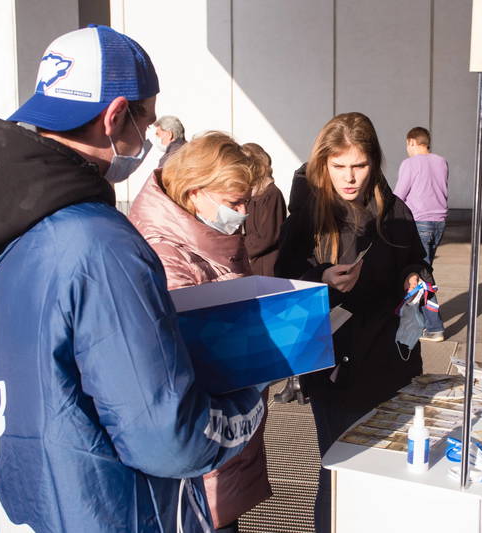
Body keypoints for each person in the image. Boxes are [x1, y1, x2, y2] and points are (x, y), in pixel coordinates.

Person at [0, 26, 264, 533]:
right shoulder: (100, 245)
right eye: (146, 120)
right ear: (115, 116)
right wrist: (248, 404)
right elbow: (167, 438)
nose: (147, 138)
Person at [275, 112, 433, 533]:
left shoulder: (393, 209)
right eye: (339, 166)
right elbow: (281, 281)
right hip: (333, 368)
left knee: (388, 469)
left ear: (375, 162)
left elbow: (415, 258)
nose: (350, 178)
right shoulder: (308, 213)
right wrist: (321, 279)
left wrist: (415, 277)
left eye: (359, 166)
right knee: (340, 470)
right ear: (323, 163)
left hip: (391, 360)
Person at [128, 133, 272, 533]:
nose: (243, 214)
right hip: (201, 435)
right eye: (234, 203)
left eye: (247, 202)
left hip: (223, 428)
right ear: (194, 192)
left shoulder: (210, 237)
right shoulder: (166, 249)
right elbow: (187, 355)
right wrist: (263, 355)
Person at [394, 126, 448, 342]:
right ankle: (426, 324)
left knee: (420, 276)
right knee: (423, 272)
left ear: (412, 142)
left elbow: (399, 195)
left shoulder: (410, 163)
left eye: (407, 145)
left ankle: (433, 327)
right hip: (439, 222)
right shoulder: (441, 162)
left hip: (418, 222)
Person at [241, 142, 287, 277]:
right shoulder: (252, 194)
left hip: (267, 267)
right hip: (254, 263)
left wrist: (240, 249)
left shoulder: (271, 194)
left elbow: (267, 236)